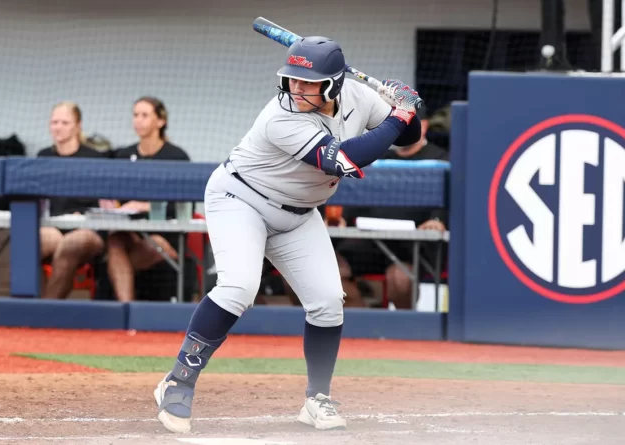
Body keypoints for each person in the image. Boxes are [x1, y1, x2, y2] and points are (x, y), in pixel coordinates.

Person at [153, 36, 423, 433]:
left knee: (329, 300)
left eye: (306, 82)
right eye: (291, 79)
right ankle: (177, 381)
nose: (295, 88)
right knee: (239, 287)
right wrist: (399, 115)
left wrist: (405, 108)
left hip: (298, 213)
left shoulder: (360, 97)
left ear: (332, 84)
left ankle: (317, 399)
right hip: (241, 199)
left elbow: (408, 137)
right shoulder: (280, 115)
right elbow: (343, 161)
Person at [335, 129, 450, 309]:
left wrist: (437, 220)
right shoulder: (376, 158)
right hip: (370, 240)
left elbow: (447, 200)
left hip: (413, 246)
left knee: (400, 279)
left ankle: (402, 330)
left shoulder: (441, 158)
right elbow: (356, 195)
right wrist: (343, 218)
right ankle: (365, 325)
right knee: (329, 271)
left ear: (424, 125)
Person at [104, 97, 196, 302]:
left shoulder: (177, 157)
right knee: (114, 243)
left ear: (160, 121)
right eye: (135, 115)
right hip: (129, 233)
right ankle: (126, 309)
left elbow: (183, 206)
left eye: (145, 115)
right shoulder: (123, 155)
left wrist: (144, 205)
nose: (138, 120)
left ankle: (125, 303)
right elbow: (116, 197)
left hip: (165, 235)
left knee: (133, 254)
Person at [37, 101, 106, 299]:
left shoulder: (95, 159)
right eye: (54, 122)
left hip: (88, 230)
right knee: (30, 241)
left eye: (64, 123)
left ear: (78, 126)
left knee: (71, 243)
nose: (58, 127)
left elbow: (107, 204)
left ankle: (45, 309)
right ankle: (32, 302)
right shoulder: (43, 157)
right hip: (53, 226)